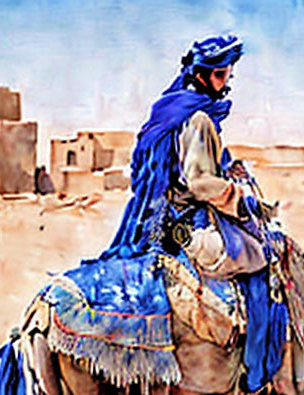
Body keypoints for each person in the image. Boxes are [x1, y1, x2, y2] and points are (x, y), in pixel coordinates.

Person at [103, 34, 268, 279]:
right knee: (257, 255)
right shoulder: (199, 118)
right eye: (220, 75)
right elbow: (200, 183)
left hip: (156, 212)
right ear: (201, 75)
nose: (225, 83)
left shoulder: (172, 109)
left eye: (227, 76)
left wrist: (228, 169)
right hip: (185, 217)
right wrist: (239, 199)